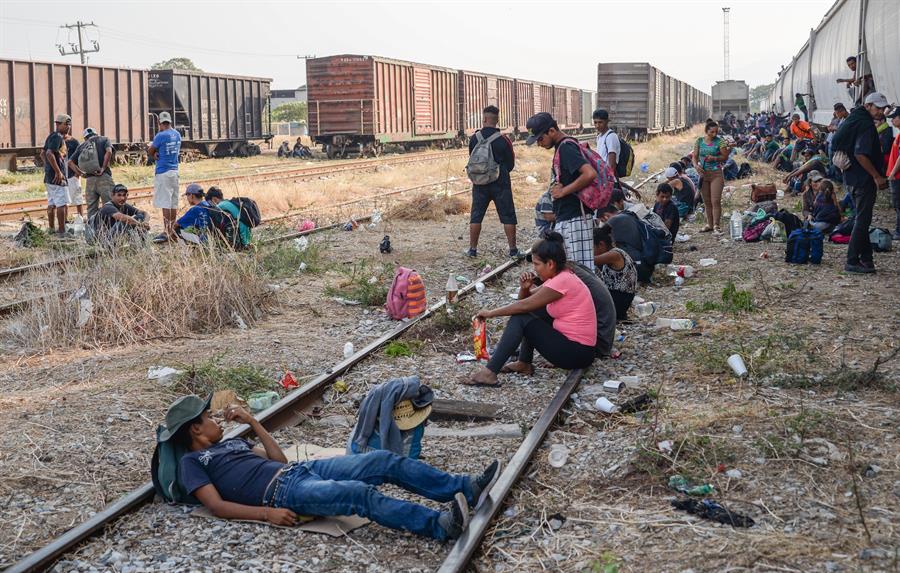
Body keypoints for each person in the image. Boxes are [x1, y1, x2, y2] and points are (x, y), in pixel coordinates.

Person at [165, 395, 501, 540]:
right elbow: (217, 506)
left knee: (383, 460)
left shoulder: (232, 443)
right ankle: (440, 525)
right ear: (195, 429)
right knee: (359, 494)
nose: (215, 419)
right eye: (208, 417)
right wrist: (266, 515)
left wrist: (253, 422)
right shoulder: (192, 463)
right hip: (283, 493)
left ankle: (464, 488)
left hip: (297, 470)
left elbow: (279, 460)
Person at [464, 233, 596, 386]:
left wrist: (490, 313)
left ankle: (490, 373)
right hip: (579, 350)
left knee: (521, 318)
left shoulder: (562, 281)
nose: (535, 269)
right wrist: (524, 289)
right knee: (528, 315)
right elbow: (526, 302)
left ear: (551, 264)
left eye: (537, 264)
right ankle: (524, 363)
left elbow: (523, 307)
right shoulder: (561, 277)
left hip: (577, 353)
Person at [526, 112, 597, 269]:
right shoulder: (563, 147)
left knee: (577, 270)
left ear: (551, 131)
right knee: (573, 268)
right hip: (570, 216)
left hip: (574, 218)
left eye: (540, 138)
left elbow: (590, 173)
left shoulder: (566, 147)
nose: (539, 143)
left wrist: (563, 191)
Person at [832, 92, 889, 274]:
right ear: (868, 106)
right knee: (862, 221)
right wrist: (877, 176)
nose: (881, 111)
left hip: (851, 177)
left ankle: (866, 259)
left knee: (861, 219)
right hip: (862, 179)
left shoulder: (856, 119)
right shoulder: (866, 125)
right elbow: (860, 154)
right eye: (878, 108)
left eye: (883, 108)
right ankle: (852, 261)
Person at [467, 105, 518, 258]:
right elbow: (511, 163)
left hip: (480, 182)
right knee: (508, 215)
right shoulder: (503, 139)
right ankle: (513, 250)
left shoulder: (474, 138)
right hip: (500, 182)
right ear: (497, 120)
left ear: (484, 119)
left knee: (476, 215)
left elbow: (471, 157)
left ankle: (473, 250)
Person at [592, 225, 637, 322]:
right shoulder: (615, 252)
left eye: (592, 248)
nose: (591, 252)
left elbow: (589, 260)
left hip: (619, 299)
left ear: (601, 244)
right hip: (620, 298)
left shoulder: (614, 255)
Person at [149, 111, 183, 240]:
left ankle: (166, 231)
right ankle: (173, 230)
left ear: (159, 123)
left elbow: (150, 150)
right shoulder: (177, 134)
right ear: (170, 121)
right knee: (173, 203)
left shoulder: (160, 135)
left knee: (165, 203)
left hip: (163, 171)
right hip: (174, 171)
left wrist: (154, 154)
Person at [69, 127, 115, 222]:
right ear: (96, 134)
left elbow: (70, 162)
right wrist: (103, 168)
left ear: (85, 138)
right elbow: (109, 151)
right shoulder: (104, 139)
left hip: (90, 180)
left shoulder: (82, 146)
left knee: (91, 208)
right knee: (110, 205)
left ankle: (92, 230)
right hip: (104, 178)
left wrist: (82, 174)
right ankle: (110, 229)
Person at [693, 119, 730, 234]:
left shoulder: (720, 142)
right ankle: (709, 224)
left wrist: (715, 158)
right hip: (703, 174)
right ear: (706, 131)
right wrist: (696, 166)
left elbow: (725, 156)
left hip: (716, 174)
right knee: (707, 201)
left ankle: (716, 225)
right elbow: (694, 156)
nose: (714, 134)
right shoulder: (699, 141)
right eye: (712, 132)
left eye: (716, 132)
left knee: (715, 201)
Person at [40, 114, 70, 234]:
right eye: (66, 124)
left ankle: (52, 229)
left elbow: (42, 153)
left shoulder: (51, 136)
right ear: (58, 124)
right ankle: (62, 231)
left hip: (49, 176)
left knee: (51, 203)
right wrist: (57, 171)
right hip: (57, 177)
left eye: (69, 124)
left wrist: (48, 167)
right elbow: (48, 153)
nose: (68, 126)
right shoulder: (57, 136)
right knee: (61, 204)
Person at [593, 109, 620, 179]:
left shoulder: (611, 137)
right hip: (602, 176)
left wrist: (608, 179)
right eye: (595, 122)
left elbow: (612, 164)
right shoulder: (599, 137)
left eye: (600, 122)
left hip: (608, 178)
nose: (597, 125)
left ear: (607, 121)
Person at [63, 133, 85, 218]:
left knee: (78, 199)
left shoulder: (74, 142)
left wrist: (77, 173)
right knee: (64, 201)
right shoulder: (57, 141)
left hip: (72, 174)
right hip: (62, 175)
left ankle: (81, 218)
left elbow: (80, 157)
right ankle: (65, 221)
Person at [887, 107, 900, 239]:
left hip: (897, 176)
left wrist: (893, 173)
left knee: (898, 204)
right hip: (896, 175)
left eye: (894, 118)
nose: (892, 121)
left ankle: (899, 231)